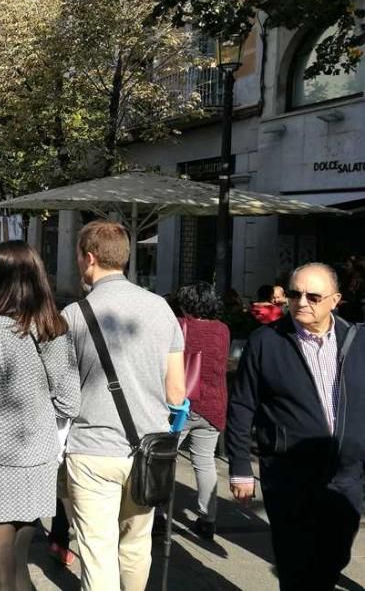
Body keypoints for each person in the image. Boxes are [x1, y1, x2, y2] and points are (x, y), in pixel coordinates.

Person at [63, 220, 185, 591]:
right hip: (149, 452)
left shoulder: (73, 315)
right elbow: (176, 392)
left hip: (92, 450)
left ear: (88, 258)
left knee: (97, 553)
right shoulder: (160, 308)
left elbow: (64, 392)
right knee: (135, 545)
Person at [228, 262, 365, 591]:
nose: (301, 302)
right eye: (294, 293)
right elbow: (242, 403)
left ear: (335, 300)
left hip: (346, 474)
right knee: (294, 562)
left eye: (313, 296)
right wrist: (240, 467)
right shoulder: (266, 341)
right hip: (289, 474)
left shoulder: (357, 341)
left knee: (334, 557)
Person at [0, 241, 80, 591]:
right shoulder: (53, 324)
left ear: (9, 279)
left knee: (0, 581)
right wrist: (36, 414)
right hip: (38, 461)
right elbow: (70, 401)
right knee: (19, 571)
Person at [155, 282, 230, 540]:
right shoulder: (222, 330)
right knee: (205, 462)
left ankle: (157, 515)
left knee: (164, 459)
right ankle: (208, 519)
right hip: (213, 405)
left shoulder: (177, 325)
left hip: (180, 406)